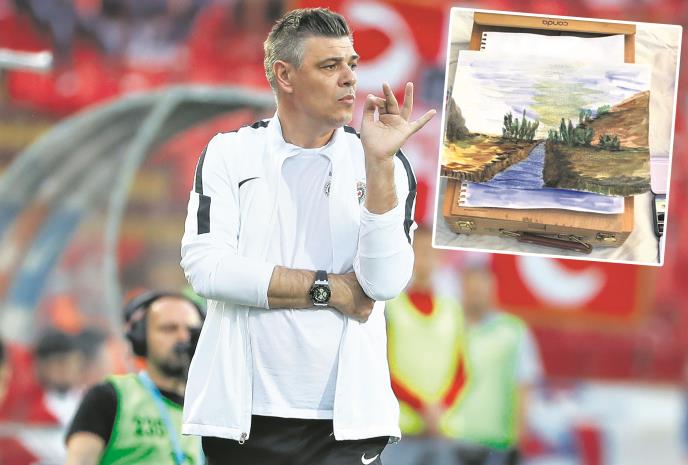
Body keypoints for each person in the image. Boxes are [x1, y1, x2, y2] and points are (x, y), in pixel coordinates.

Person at [180, 7, 435, 465]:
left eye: (352, 64)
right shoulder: (230, 153)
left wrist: (379, 166)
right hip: (243, 415)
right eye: (330, 65)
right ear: (285, 76)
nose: (350, 78)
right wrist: (329, 288)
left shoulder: (385, 162)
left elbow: (384, 284)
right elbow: (208, 269)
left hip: (347, 425)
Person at [64, 291, 204, 465]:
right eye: (169, 329)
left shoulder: (209, 408)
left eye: (191, 330)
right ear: (141, 338)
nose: (183, 338)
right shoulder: (108, 398)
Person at [442, 265, 543, 465]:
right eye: (472, 289)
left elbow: (524, 387)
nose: (476, 294)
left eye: (481, 288)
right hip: (449, 439)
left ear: (492, 289)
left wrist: (519, 439)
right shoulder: (445, 326)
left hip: (497, 443)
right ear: (461, 288)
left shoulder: (513, 330)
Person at [382, 227, 464, 465]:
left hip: (440, 428)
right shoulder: (389, 306)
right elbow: (381, 368)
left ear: (441, 258)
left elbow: (461, 370)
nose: (424, 260)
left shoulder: (452, 310)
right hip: (399, 428)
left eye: (430, 252)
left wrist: (439, 409)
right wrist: (422, 407)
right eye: (417, 252)